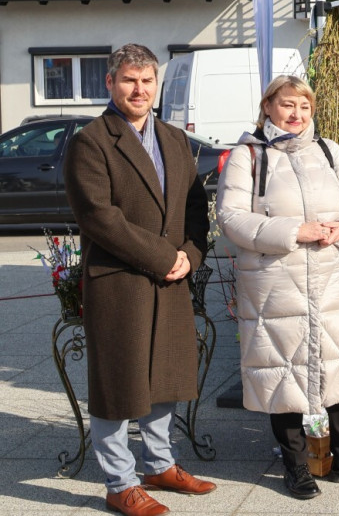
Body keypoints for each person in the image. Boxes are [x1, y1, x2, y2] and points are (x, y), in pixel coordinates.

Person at [216, 75, 339, 499]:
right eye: (287, 105)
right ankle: (295, 465)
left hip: (331, 276)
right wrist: (295, 230)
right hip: (278, 281)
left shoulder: (329, 151)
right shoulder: (247, 156)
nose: (296, 115)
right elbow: (231, 217)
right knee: (285, 371)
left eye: (304, 107)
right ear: (268, 107)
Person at [63, 43, 217, 516]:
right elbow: (99, 217)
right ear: (110, 83)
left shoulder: (174, 138)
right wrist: (164, 256)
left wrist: (189, 256)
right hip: (120, 280)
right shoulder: (90, 141)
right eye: (129, 80)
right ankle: (119, 481)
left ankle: (160, 465)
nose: (139, 89)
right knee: (118, 382)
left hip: (170, 277)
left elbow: (195, 207)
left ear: (157, 85)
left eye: (147, 80)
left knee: (165, 376)